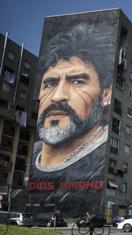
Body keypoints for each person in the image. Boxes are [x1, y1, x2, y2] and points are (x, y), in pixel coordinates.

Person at [30, 23, 115, 182]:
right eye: (50, 84)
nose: (57, 96)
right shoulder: (35, 152)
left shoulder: (104, 160)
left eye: (77, 81)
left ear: (105, 94)